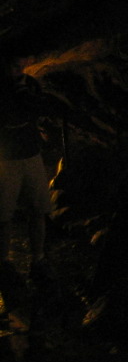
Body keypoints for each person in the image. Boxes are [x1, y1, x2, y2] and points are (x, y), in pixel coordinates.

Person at [0, 73, 52, 279]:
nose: (18, 68)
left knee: (38, 209)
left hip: (31, 154)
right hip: (7, 159)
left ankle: (38, 260)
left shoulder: (29, 84)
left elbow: (40, 108)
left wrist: (24, 95)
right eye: (13, 64)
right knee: (3, 214)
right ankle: (3, 263)